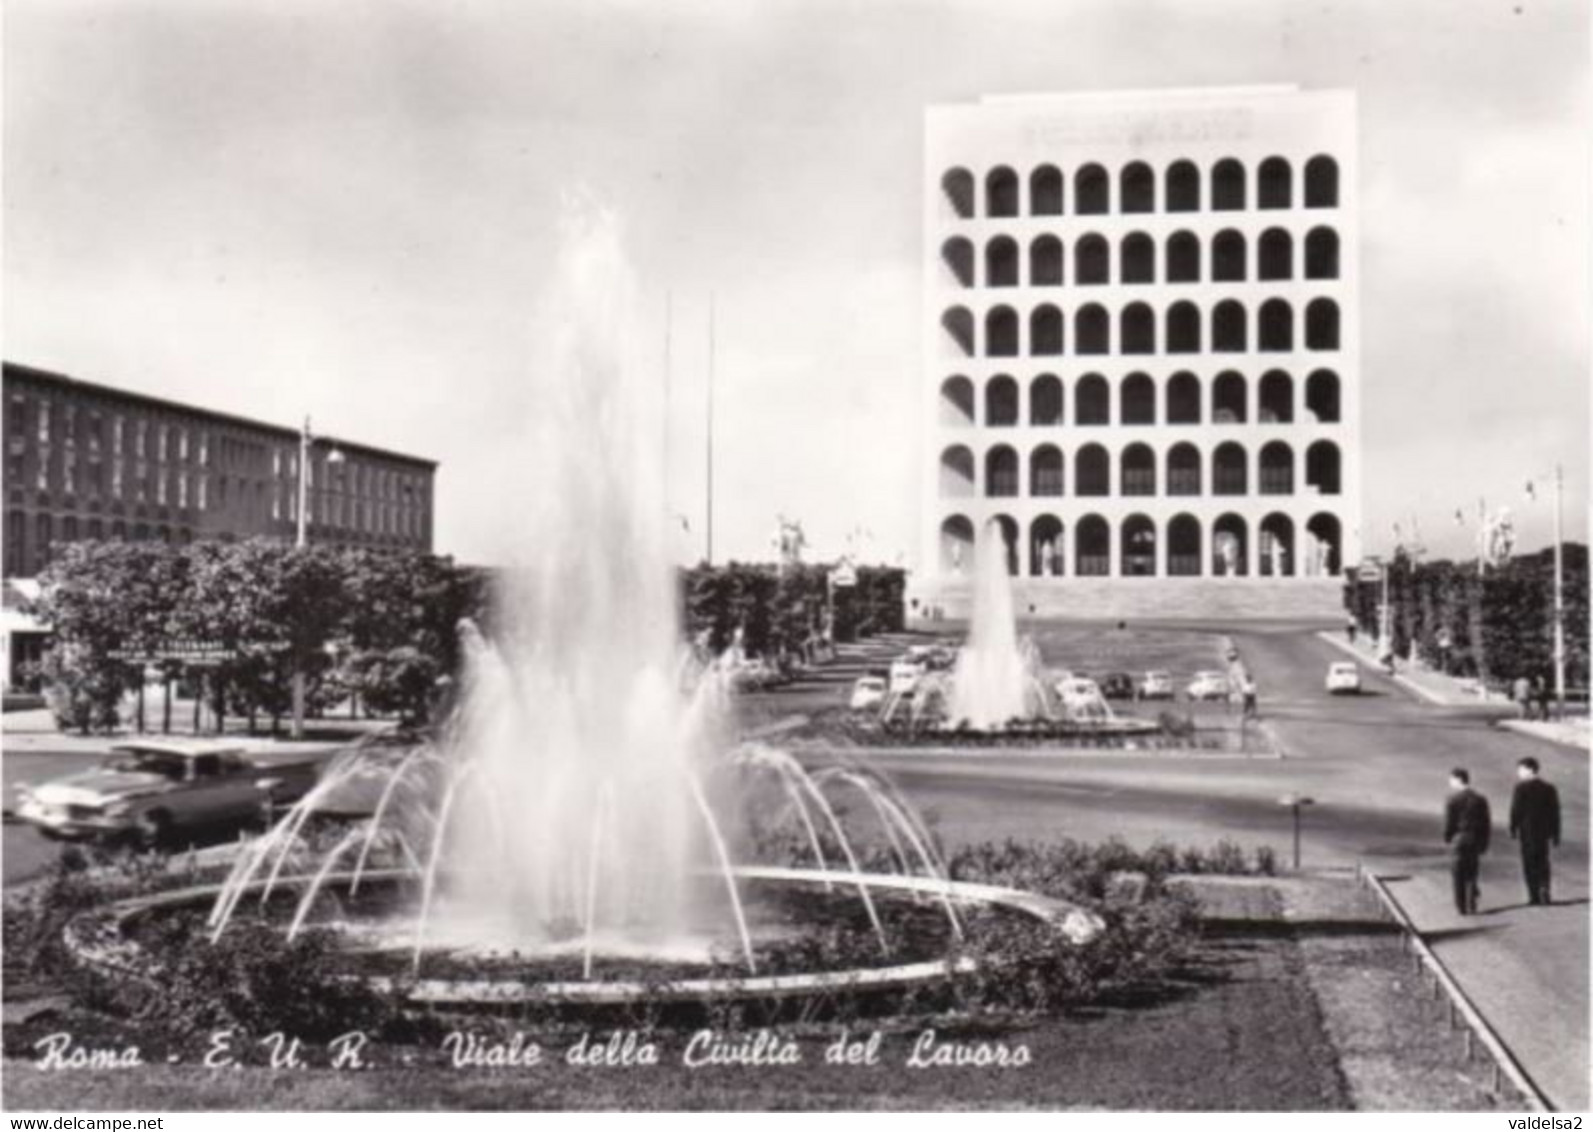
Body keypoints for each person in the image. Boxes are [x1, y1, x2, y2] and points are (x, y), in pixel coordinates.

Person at [1508, 756, 1561, 906]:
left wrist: (1513, 828)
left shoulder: (1520, 788)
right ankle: (1544, 887)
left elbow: (1516, 810)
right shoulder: (1549, 788)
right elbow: (1555, 812)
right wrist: (1556, 834)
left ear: (1530, 770)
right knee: (1543, 861)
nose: (1519, 773)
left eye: (1521, 769)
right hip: (1543, 833)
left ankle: (1534, 895)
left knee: (1529, 863)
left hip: (1527, 832)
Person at [1443, 768, 1491, 915]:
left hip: (1458, 839)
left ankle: (1461, 906)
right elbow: (1486, 823)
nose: (1450, 783)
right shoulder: (1480, 799)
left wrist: (1447, 837)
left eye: (1451, 779)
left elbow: (1449, 823)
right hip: (1474, 840)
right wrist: (1484, 843)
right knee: (1472, 872)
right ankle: (1471, 904)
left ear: (1458, 779)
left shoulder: (1452, 799)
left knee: (1457, 874)